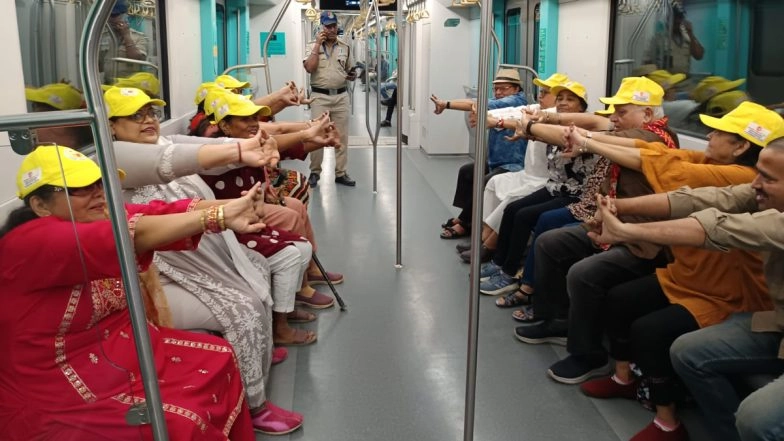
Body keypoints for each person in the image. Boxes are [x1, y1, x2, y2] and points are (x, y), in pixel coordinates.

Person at [0, 145, 259, 441]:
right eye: (80, 188)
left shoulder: (94, 216)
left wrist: (235, 206)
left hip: (117, 353)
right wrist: (216, 217)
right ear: (40, 205)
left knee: (219, 356)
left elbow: (155, 212)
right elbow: (130, 233)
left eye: (99, 183)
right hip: (61, 386)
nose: (98, 192)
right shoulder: (28, 242)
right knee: (180, 422)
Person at [568, 103, 783, 441]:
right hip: (701, 281)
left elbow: (717, 226)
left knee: (651, 331)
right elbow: (693, 200)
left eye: (767, 177)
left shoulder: (747, 184)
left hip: (730, 293)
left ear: (742, 146)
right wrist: (617, 208)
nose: (709, 135)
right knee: (621, 300)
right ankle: (629, 381)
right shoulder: (736, 178)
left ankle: (670, 420)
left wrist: (628, 230)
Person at [104, 86, 305, 434]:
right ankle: (254, 407)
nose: (148, 120)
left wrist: (245, 150)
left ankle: (256, 351)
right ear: (110, 125)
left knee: (255, 267)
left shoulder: (163, 142)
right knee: (242, 307)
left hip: (199, 248)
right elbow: (171, 164)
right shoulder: (115, 157)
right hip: (162, 272)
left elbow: (204, 149)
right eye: (135, 116)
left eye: (150, 112)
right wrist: (243, 150)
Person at [506, 76, 679, 327]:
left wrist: (532, 128)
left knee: (573, 258)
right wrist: (543, 119)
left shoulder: (654, 139)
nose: (614, 118)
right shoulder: (629, 132)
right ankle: (551, 314)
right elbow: (595, 124)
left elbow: (589, 132)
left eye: (621, 112)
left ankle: (572, 335)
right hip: (606, 218)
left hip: (638, 234)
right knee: (549, 240)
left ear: (647, 114)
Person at [478, 80, 600, 296]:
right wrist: (507, 125)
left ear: (582, 107)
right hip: (554, 187)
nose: (562, 103)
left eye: (569, 99)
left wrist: (517, 125)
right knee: (513, 209)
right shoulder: (552, 123)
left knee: (526, 215)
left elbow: (552, 134)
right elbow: (534, 132)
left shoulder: (585, 129)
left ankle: (510, 273)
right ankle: (500, 263)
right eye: (560, 98)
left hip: (574, 194)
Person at [460, 72, 570, 264]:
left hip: (543, 180)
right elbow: (510, 114)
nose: (541, 96)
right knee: (493, 183)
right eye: (541, 92)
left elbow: (530, 127)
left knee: (512, 200)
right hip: (527, 173)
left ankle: (489, 246)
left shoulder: (562, 120)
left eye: (547, 93)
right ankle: (484, 236)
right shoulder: (535, 109)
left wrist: (501, 123)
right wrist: (490, 117)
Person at [430, 68, 528, 239]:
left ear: (516, 89)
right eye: (496, 89)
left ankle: (463, 222)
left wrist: (446, 104)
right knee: (467, 172)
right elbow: (477, 103)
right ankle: (468, 219)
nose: (498, 92)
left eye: (503, 88)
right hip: (496, 161)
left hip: (513, 165)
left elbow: (477, 104)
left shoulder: (517, 102)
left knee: (485, 182)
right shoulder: (503, 102)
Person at [303, 11, 357, 187]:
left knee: (341, 136)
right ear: (322, 27)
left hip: (341, 96)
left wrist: (352, 75)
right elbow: (310, 68)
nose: (331, 29)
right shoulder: (312, 46)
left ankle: (341, 173)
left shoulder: (345, 47)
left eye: (334, 25)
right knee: (317, 134)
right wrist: (317, 44)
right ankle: (314, 172)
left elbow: (351, 70)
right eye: (328, 26)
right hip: (320, 97)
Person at [644, 2, 704, 74]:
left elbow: (699, 56)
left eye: (680, 19)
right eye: (675, 19)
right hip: (665, 81)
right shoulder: (659, 38)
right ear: (668, 19)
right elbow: (647, 62)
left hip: (684, 80)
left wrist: (691, 34)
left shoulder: (687, 36)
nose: (677, 22)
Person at [99, 1, 149, 81]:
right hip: (109, 85)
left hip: (129, 86)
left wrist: (126, 35)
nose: (110, 19)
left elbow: (136, 59)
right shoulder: (103, 37)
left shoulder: (138, 37)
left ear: (124, 16)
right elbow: (98, 64)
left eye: (114, 15)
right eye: (108, 16)